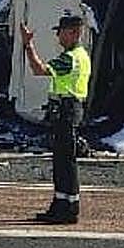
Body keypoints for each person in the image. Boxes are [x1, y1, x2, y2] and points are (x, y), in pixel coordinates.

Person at [19, 14, 91, 224]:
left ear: (73, 33)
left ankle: (67, 208)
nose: (58, 36)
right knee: (64, 161)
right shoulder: (81, 55)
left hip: (66, 111)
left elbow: (38, 69)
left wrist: (28, 45)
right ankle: (62, 204)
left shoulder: (70, 58)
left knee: (64, 162)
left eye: (61, 32)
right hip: (69, 110)